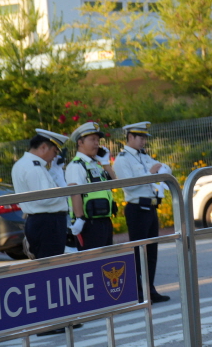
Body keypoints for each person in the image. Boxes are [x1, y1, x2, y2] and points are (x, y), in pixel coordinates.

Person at [116, 122, 173, 302]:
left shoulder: (144, 156)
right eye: (140, 137)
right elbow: (129, 185)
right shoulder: (122, 159)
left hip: (151, 207)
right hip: (136, 208)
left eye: (144, 138)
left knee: (151, 252)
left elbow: (165, 169)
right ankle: (138, 291)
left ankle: (150, 289)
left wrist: (160, 169)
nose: (143, 141)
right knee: (138, 251)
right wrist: (150, 173)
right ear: (130, 137)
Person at [12, 130, 71, 260]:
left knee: (48, 263)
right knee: (52, 264)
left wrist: (55, 173)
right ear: (43, 147)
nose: (54, 157)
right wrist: (65, 191)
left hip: (43, 221)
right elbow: (44, 198)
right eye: (54, 152)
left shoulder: (26, 164)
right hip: (47, 223)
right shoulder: (34, 167)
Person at [64, 121, 118, 251]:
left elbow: (115, 183)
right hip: (88, 222)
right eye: (92, 139)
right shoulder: (77, 165)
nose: (96, 143)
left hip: (103, 219)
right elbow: (75, 192)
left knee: (107, 258)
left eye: (97, 140)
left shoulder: (95, 164)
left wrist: (105, 162)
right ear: (80, 142)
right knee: (95, 259)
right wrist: (80, 218)